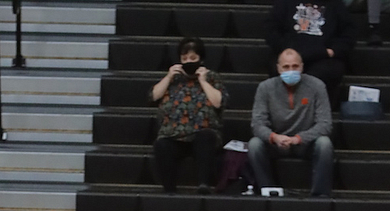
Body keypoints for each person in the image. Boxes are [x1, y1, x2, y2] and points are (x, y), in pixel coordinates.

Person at [248, 49, 333, 198]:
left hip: (305, 143)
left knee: (324, 143)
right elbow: (258, 123)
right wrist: (274, 137)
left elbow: (325, 124)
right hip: (277, 143)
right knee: (254, 144)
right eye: (286, 67)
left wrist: (298, 139)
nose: (291, 70)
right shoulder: (265, 87)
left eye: (295, 66)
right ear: (278, 68)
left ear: (302, 67)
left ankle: (320, 194)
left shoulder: (317, 86)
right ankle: (268, 191)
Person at [150, 36, 228, 194]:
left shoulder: (212, 77)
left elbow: (218, 102)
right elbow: (154, 96)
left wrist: (203, 81)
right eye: (184, 58)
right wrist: (168, 77)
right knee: (161, 145)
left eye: (193, 58)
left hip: (202, 133)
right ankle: (169, 190)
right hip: (174, 135)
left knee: (206, 137)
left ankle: (203, 184)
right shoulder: (173, 79)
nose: (188, 62)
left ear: (201, 59)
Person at [265, 0, 356, 102]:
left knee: (327, 72)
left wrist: (332, 51)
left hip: (323, 57)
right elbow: (271, 29)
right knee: (280, 67)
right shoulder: (285, 3)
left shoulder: (335, 4)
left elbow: (348, 33)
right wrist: (287, 50)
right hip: (290, 53)